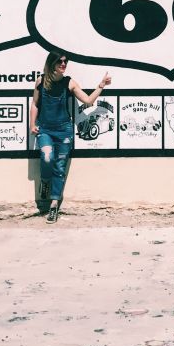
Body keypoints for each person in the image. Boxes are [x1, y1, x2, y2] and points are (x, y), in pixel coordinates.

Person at [30, 52, 111, 223]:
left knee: (59, 168)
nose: (63, 64)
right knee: (46, 157)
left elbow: (88, 101)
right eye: (60, 61)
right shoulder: (40, 81)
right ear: (51, 63)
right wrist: (32, 124)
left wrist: (101, 85)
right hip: (45, 129)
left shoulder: (70, 83)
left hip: (64, 131)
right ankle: (45, 181)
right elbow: (35, 104)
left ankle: (53, 205)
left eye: (65, 61)